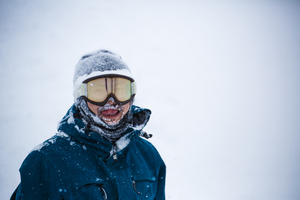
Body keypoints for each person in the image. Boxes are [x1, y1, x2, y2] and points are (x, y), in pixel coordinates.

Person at [11, 50, 166, 200]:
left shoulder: (148, 155)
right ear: (81, 97)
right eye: (98, 91)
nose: (111, 101)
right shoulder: (47, 161)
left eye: (120, 90)